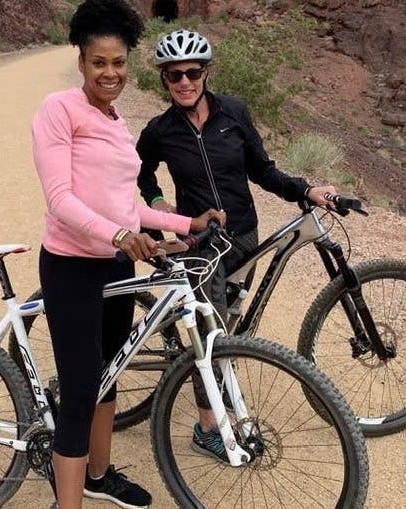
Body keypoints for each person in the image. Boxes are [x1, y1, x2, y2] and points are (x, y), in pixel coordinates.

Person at [32, 0, 225, 509]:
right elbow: (61, 201)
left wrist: (185, 221)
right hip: (71, 266)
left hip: (116, 265)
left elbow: (128, 206)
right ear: (82, 61)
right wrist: (117, 237)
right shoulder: (58, 110)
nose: (110, 73)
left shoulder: (118, 123)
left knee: (109, 376)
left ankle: (98, 473)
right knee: (79, 393)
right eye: (99, 63)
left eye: (118, 62)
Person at [136, 28, 337, 462]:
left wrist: (306, 190)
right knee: (210, 333)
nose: (184, 82)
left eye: (192, 72)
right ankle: (208, 426)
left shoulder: (234, 113)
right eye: (174, 76)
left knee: (228, 317)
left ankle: (210, 375)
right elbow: (141, 173)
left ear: (206, 73)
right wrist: (158, 204)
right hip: (200, 241)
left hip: (244, 233)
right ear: (164, 81)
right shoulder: (160, 131)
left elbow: (263, 171)